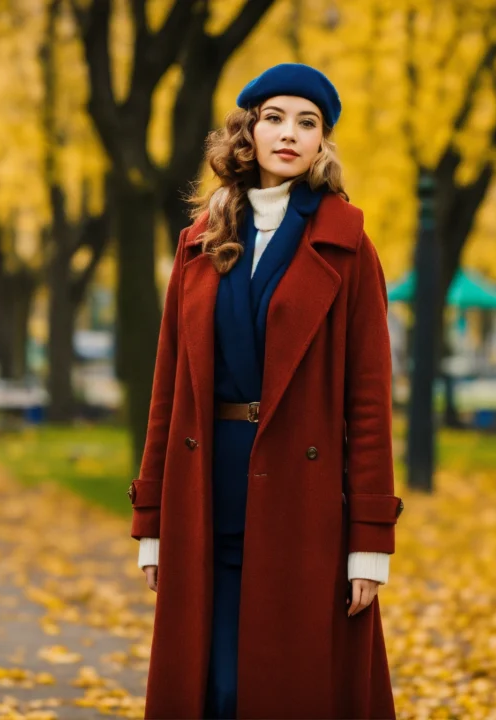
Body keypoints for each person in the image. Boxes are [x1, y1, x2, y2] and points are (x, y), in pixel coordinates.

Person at [128, 64, 404, 719]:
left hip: (306, 506)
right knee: (215, 690)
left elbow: (369, 403)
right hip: (206, 491)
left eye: (307, 123)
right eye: (274, 118)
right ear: (247, 132)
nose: (289, 133)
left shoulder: (348, 245)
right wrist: (152, 523)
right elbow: (168, 388)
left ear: (322, 144)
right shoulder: (199, 242)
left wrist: (369, 542)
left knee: (287, 688)